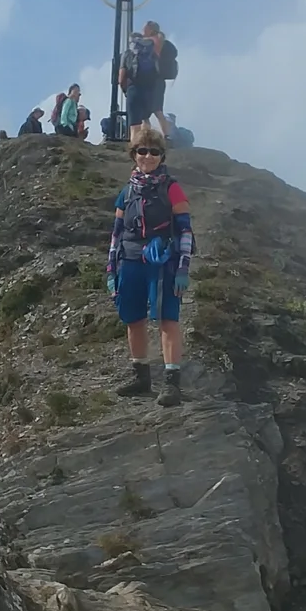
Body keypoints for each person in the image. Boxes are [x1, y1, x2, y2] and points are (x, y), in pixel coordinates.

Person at [104, 127, 194, 406]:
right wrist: (111, 269)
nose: (148, 156)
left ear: (161, 155)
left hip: (163, 263)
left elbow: (186, 230)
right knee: (133, 318)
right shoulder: (128, 191)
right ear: (134, 154)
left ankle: (171, 383)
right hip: (130, 261)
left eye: (154, 151)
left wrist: (182, 268)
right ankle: (141, 376)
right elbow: (117, 233)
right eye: (142, 150)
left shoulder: (172, 188)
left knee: (168, 318)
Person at [119, 22, 169, 143]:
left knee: (135, 126)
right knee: (148, 116)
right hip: (150, 88)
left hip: (133, 89)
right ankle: (163, 138)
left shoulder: (127, 54)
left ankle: (136, 149)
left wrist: (126, 90)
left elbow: (121, 79)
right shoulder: (152, 48)